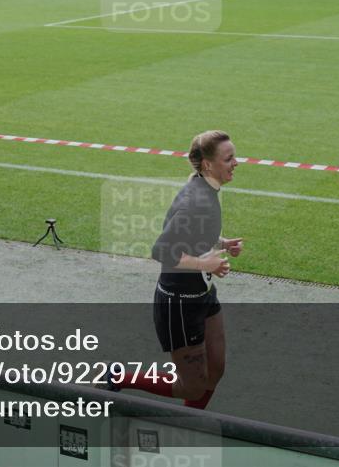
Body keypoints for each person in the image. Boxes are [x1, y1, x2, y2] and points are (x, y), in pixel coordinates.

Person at [102, 130, 243, 410]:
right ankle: (116, 377)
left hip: (202, 293)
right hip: (179, 304)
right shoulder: (196, 202)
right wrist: (207, 264)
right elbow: (162, 251)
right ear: (207, 165)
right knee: (191, 384)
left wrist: (222, 244)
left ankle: (188, 424)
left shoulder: (206, 187)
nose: (236, 163)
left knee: (215, 371)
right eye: (228, 159)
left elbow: (193, 236)